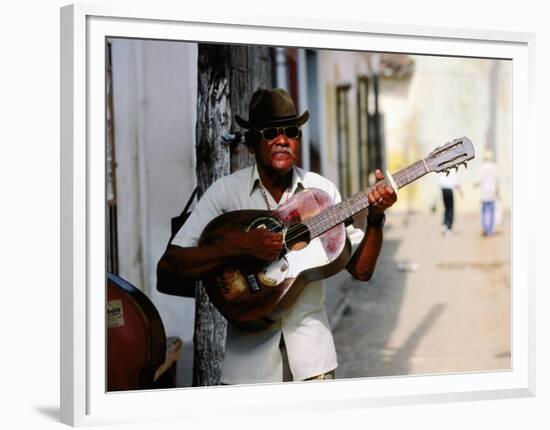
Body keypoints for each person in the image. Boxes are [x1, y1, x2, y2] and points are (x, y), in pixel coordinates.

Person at [156, 88, 397, 384]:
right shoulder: (225, 193)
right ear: (252, 142)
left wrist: (375, 218)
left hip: (313, 364)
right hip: (247, 370)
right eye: (271, 132)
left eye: (291, 131)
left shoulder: (320, 192)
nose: (282, 140)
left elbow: (361, 270)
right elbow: (170, 263)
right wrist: (239, 247)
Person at [476, 149, 498, 236]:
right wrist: (497, 192)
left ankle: (484, 228)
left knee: (484, 211)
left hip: (484, 191)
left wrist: (475, 184)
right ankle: (490, 230)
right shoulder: (494, 167)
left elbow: (479, 180)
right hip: (492, 191)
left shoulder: (482, 167)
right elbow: (496, 180)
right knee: (491, 212)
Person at [438, 169, 462, 235]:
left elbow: (440, 179)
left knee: (446, 208)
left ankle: (444, 225)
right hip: (449, 189)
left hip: (443, 189)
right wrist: (460, 192)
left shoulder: (444, 167)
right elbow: (456, 182)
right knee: (450, 209)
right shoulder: (453, 169)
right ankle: (449, 228)